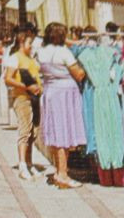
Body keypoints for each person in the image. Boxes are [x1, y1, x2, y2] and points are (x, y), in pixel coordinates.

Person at [36, 21, 88, 188]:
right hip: (65, 93)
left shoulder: (42, 51)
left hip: (50, 91)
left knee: (54, 132)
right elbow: (78, 74)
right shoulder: (64, 53)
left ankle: (58, 170)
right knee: (64, 133)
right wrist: (86, 68)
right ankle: (64, 174)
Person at [3, 26, 45, 179]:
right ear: (22, 43)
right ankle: (22, 164)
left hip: (34, 98)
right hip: (22, 98)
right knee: (25, 130)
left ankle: (29, 162)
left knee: (33, 132)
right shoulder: (15, 58)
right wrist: (26, 86)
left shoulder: (31, 59)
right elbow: (8, 78)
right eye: (29, 43)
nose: (31, 46)